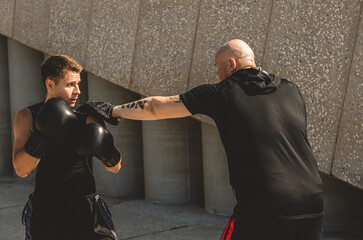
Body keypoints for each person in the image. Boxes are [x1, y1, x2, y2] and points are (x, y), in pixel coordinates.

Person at [86, 39, 324, 240]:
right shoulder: (291, 89)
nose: (218, 75)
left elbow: (156, 107)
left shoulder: (221, 93)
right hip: (312, 201)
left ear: (232, 64)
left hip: (265, 204)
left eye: (218, 68)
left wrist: (112, 110)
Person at [12, 55, 122, 240]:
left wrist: (107, 151)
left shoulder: (87, 117)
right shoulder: (28, 116)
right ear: (50, 84)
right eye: (71, 84)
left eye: (78, 84)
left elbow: (115, 168)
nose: (78, 91)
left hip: (86, 207)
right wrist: (43, 135)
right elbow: (21, 170)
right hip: (46, 208)